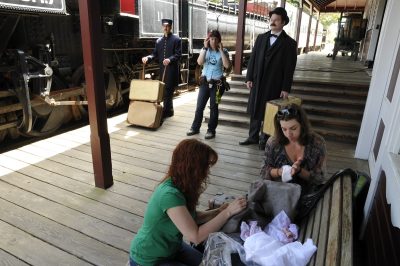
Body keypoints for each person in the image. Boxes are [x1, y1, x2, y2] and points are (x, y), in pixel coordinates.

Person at [129, 139, 247, 266]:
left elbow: (190, 217)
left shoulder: (181, 184)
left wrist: (218, 212)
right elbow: (195, 236)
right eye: (205, 166)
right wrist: (228, 212)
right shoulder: (169, 194)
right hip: (149, 259)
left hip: (172, 248)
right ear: (193, 167)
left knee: (208, 263)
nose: (207, 171)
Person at [239, 7, 297, 150]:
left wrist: (285, 88)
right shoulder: (261, 38)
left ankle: (264, 140)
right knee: (255, 108)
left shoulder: (289, 43)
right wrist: (249, 77)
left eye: (276, 20)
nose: (272, 22)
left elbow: (290, 68)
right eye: (271, 20)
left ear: (283, 22)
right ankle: (252, 136)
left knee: (270, 112)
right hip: (258, 81)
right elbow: (252, 59)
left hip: (274, 83)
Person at [260, 104, 327, 195]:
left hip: (307, 197)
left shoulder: (317, 143)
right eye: (284, 129)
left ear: (302, 125)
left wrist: (300, 171)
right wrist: (279, 172)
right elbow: (264, 172)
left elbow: (320, 179)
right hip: (279, 194)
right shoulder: (273, 143)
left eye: (293, 128)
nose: (288, 134)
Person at [186, 30, 231, 140]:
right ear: (208, 40)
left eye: (216, 39)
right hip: (205, 83)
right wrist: (205, 48)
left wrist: (220, 50)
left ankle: (211, 130)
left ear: (219, 40)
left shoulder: (224, 51)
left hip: (218, 84)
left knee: (214, 108)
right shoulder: (204, 50)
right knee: (199, 107)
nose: (213, 41)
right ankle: (195, 128)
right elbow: (199, 62)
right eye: (211, 39)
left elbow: (226, 66)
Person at [142, 18, 181, 118]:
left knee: (168, 90)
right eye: (164, 26)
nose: (166, 28)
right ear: (162, 27)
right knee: (164, 90)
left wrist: (170, 59)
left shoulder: (176, 39)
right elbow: (154, 54)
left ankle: (167, 111)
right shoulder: (159, 41)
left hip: (171, 70)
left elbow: (178, 54)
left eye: (168, 26)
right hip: (163, 70)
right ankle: (169, 110)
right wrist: (148, 57)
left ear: (171, 27)